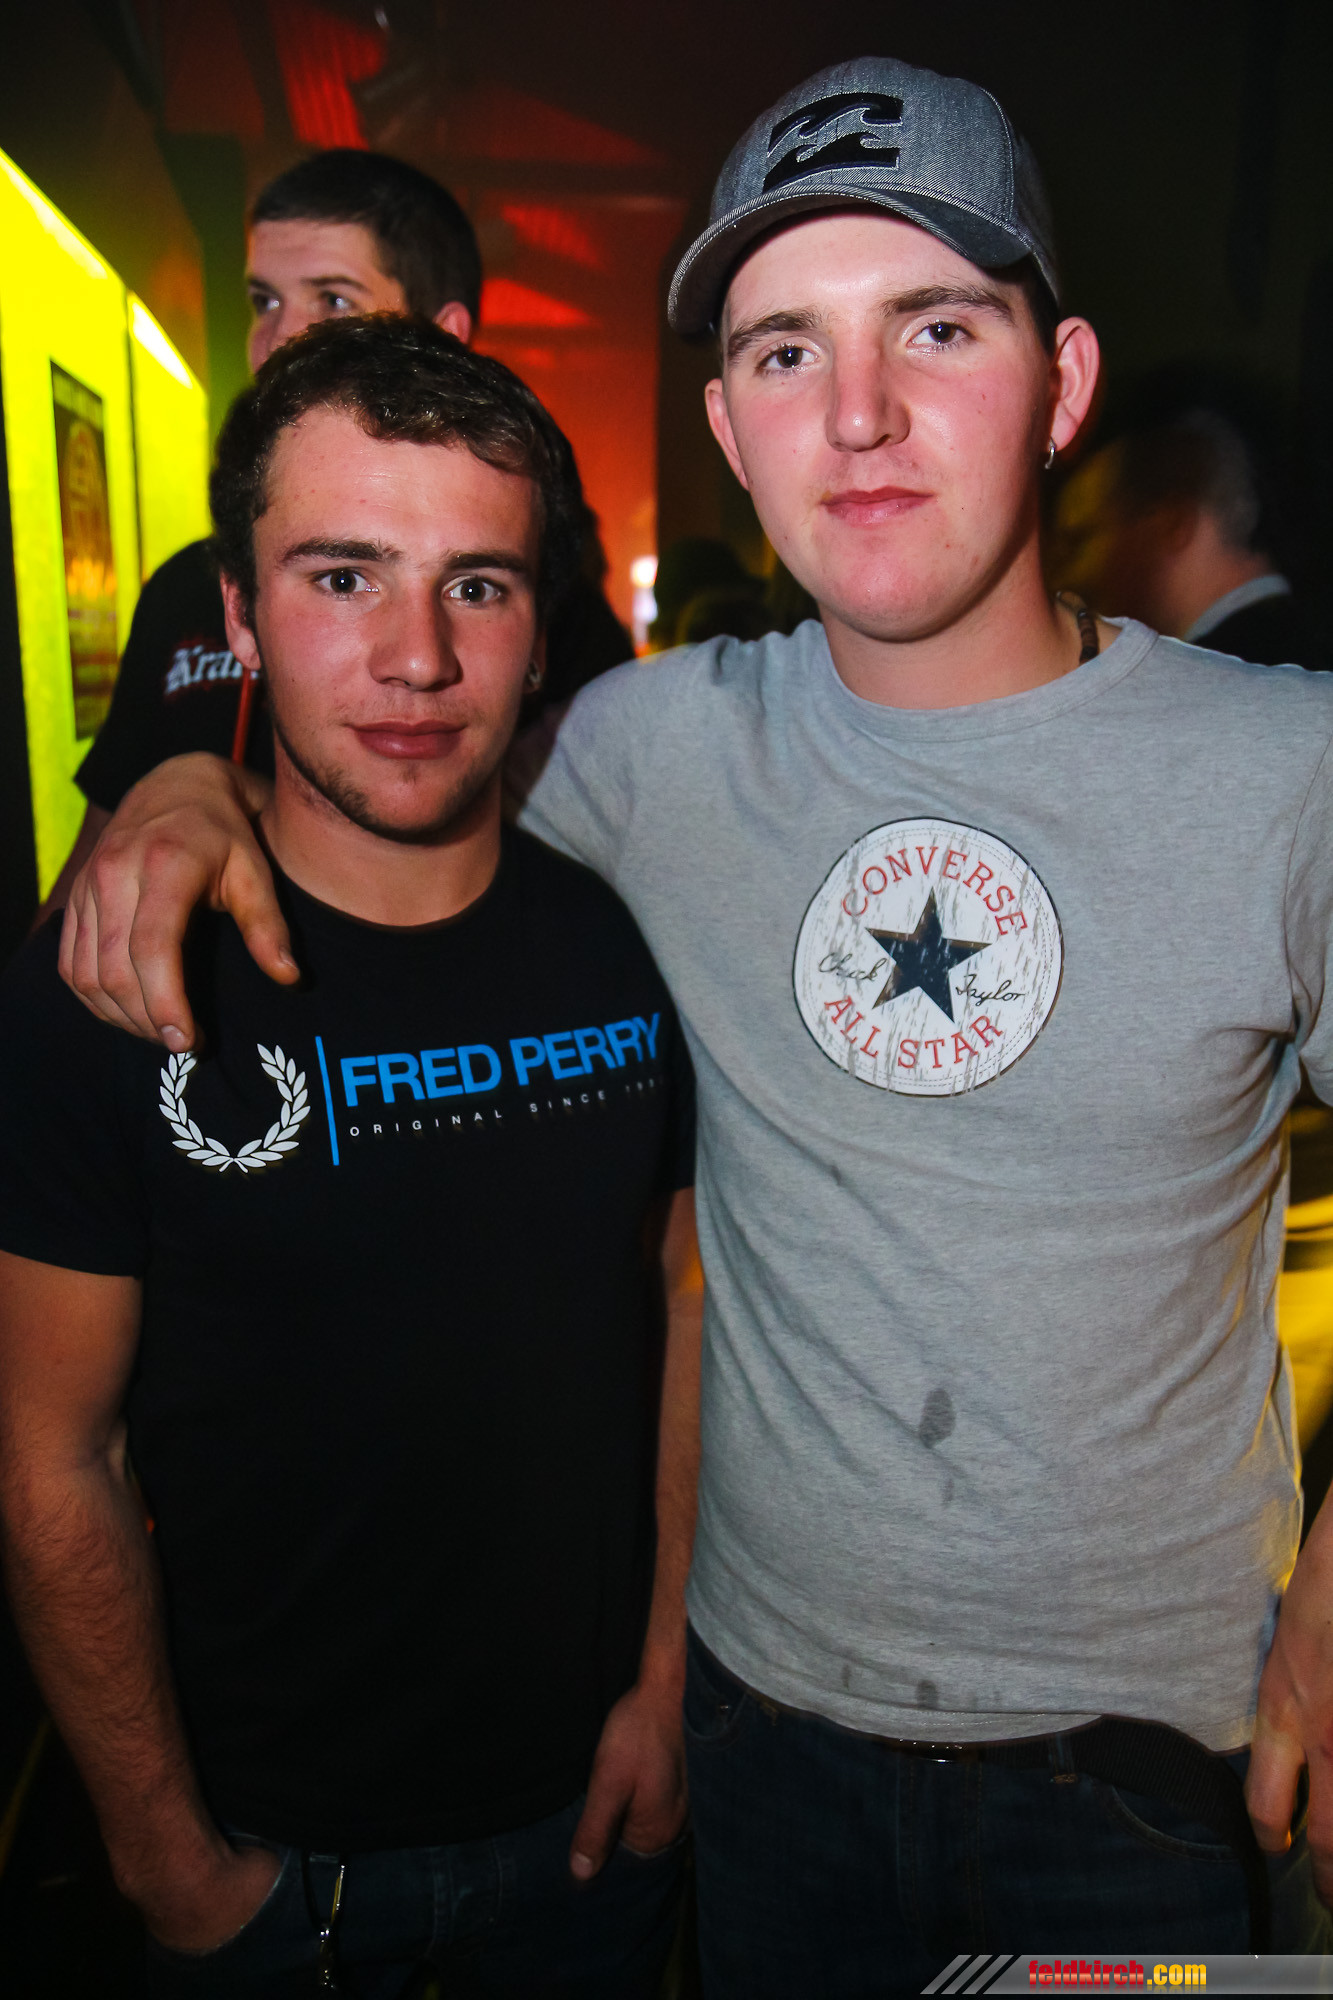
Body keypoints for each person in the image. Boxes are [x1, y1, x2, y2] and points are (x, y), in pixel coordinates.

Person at [52, 53, 1333, 1987]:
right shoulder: (644, 754)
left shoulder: (1283, 769)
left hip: (1150, 1778)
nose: (861, 415)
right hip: (757, 1746)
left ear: (1060, 382)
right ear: (728, 426)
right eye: (785, 353)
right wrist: (183, 772)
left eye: (934, 326)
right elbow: (386, 776)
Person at [0, 317, 701, 1996]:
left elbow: (687, 1307)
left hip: (597, 1838)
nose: (416, 660)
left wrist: (667, 1690)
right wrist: (169, 1862)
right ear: (236, 617)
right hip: (266, 1873)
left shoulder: (629, 947)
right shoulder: (112, 977)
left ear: (541, 624)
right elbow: (49, 1457)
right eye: (340, 579)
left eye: (477, 586)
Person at [42, 149, 630, 920]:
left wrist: (228, 794)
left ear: (445, 335)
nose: (277, 341)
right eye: (264, 301)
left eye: (332, 299)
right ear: (240, 607)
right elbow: (86, 878)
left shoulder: (560, 621)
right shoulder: (188, 586)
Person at [1050, 377, 1329, 669]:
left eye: (1078, 541)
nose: (1064, 576)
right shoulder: (1308, 654)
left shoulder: (1210, 680)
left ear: (1172, 523)